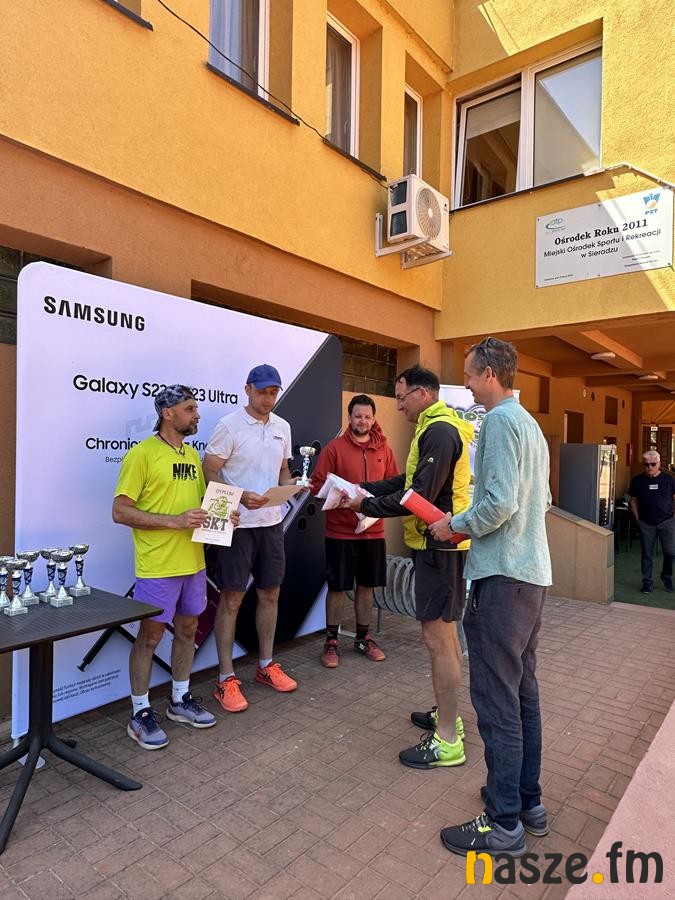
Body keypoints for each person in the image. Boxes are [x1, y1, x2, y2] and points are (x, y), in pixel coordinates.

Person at [429, 337, 551, 858]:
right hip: (531, 576)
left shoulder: (499, 422)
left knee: (498, 702)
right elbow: (541, 501)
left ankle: (503, 824)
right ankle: (526, 804)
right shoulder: (530, 424)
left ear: (489, 374)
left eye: (470, 375)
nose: (467, 384)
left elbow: (498, 504)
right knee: (523, 694)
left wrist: (453, 524)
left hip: (501, 579)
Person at [344, 366, 473, 769]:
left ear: (422, 394)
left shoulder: (439, 431)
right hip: (439, 545)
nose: (397, 406)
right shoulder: (435, 427)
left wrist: (365, 504)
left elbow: (418, 495)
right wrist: (366, 489)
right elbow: (407, 481)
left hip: (440, 545)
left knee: (438, 638)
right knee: (444, 635)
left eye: (400, 398)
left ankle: (448, 739)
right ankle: (447, 714)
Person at [113, 385, 220, 750]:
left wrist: (224, 516)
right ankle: (139, 713)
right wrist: (175, 522)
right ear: (167, 413)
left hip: (194, 563)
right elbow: (120, 511)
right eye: (190, 409)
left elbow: (199, 507)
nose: (197, 415)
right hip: (158, 566)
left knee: (188, 631)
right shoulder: (141, 454)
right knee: (150, 637)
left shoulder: (191, 455)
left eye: (196, 408)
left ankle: (179, 699)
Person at [202, 364, 298, 714]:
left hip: (272, 523)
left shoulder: (283, 427)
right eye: (262, 391)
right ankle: (225, 678)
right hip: (236, 524)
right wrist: (240, 496)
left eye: (273, 392)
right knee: (231, 599)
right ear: (247, 389)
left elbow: (283, 471)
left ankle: (265, 665)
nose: (268, 398)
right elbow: (209, 469)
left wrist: (293, 486)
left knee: (270, 594)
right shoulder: (229, 425)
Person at [311, 394, 399, 667]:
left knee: (366, 586)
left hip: (373, 531)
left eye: (367, 417)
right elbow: (316, 485)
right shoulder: (334, 448)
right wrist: (337, 494)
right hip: (340, 531)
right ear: (349, 418)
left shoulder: (384, 449)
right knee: (338, 587)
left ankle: (363, 638)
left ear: (373, 419)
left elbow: (395, 484)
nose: (363, 421)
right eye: (358, 416)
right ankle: (331, 642)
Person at [629, 450, 675, 594]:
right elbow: (633, 499)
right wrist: (638, 518)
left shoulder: (668, 479)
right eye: (646, 464)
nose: (649, 467)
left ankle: (666, 576)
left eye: (653, 464)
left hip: (667, 522)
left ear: (659, 463)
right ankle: (647, 582)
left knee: (671, 552)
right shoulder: (637, 480)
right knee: (647, 554)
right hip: (646, 523)